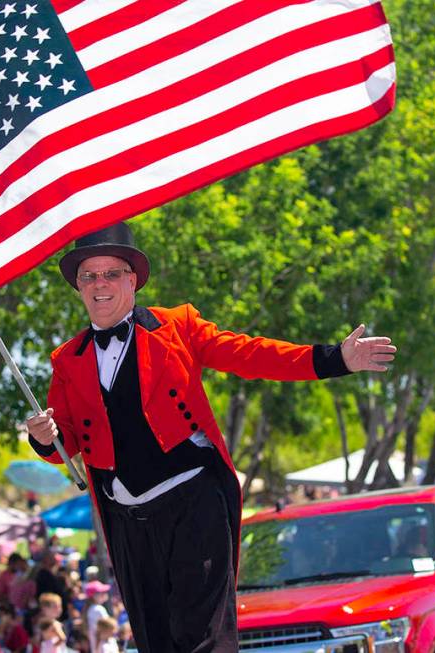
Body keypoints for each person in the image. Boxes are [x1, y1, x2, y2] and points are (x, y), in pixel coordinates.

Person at [25, 224, 397, 653]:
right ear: (77, 287)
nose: (100, 284)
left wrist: (334, 359)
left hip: (192, 502)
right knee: (155, 642)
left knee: (204, 638)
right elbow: (65, 443)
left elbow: (249, 353)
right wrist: (43, 436)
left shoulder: (175, 326)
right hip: (127, 521)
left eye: (111, 273)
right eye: (89, 276)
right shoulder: (66, 360)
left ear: (132, 280)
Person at [84, 580, 111, 653]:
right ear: (94, 596)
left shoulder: (90, 609)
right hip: (104, 647)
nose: (104, 594)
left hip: (98, 648)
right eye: (101, 592)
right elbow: (109, 628)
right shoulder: (98, 609)